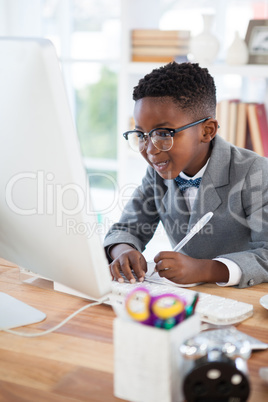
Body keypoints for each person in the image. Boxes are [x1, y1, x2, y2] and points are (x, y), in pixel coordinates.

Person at [104, 62, 268, 288]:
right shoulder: (156, 174)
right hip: (187, 301)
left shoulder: (255, 172)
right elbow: (127, 229)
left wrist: (206, 269)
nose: (150, 150)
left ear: (207, 131)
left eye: (163, 133)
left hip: (246, 297)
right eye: (141, 135)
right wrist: (124, 251)